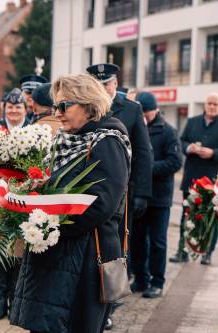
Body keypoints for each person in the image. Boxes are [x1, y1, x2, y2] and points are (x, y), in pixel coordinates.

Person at [10, 73, 131, 333]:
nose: (57, 112)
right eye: (55, 106)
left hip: (85, 260)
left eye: (64, 105)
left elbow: (102, 206)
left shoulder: (107, 142)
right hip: (56, 257)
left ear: (88, 105)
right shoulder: (65, 140)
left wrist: (48, 228)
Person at [86, 63, 153, 330]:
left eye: (108, 84)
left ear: (115, 84)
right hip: (91, 191)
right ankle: (92, 303)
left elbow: (143, 153)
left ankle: (109, 305)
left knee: (116, 250)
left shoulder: (132, 110)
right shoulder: (86, 106)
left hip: (122, 193)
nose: (104, 88)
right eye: (99, 84)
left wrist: (142, 193)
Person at [170, 93, 218, 265]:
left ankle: (207, 252)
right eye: (209, 103)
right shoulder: (192, 121)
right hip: (192, 176)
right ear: (205, 105)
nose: (212, 106)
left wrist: (213, 153)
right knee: (186, 215)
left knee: (211, 217)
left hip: (213, 179)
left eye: (216, 104)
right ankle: (181, 251)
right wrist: (189, 147)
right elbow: (181, 141)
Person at [130, 92, 182, 297]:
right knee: (137, 240)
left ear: (156, 110)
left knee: (158, 242)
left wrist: (147, 168)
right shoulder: (136, 129)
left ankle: (157, 282)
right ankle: (141, 280)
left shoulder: (168, 131)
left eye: (148, 112)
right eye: (142, 112)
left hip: (160, 197)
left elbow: (175, 162)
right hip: (139, 196)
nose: (145, 116)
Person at [0, 88, 28, 321]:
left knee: (18, 251)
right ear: (5, 108)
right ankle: (1, 299)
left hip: (24, 199)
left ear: (25, 109)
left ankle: (15, 299)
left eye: (18, 107)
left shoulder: (34, 131)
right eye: (10, 107)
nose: (14, 111)